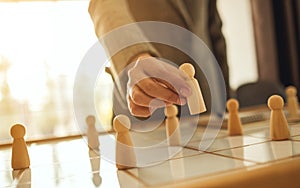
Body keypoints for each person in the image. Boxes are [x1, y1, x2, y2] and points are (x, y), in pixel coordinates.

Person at [88, 0, 230, 118]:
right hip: (150, 105)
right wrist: (135, 55)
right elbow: (104, 6)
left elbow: (214, 32)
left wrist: (228, 97)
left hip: (212, 100)